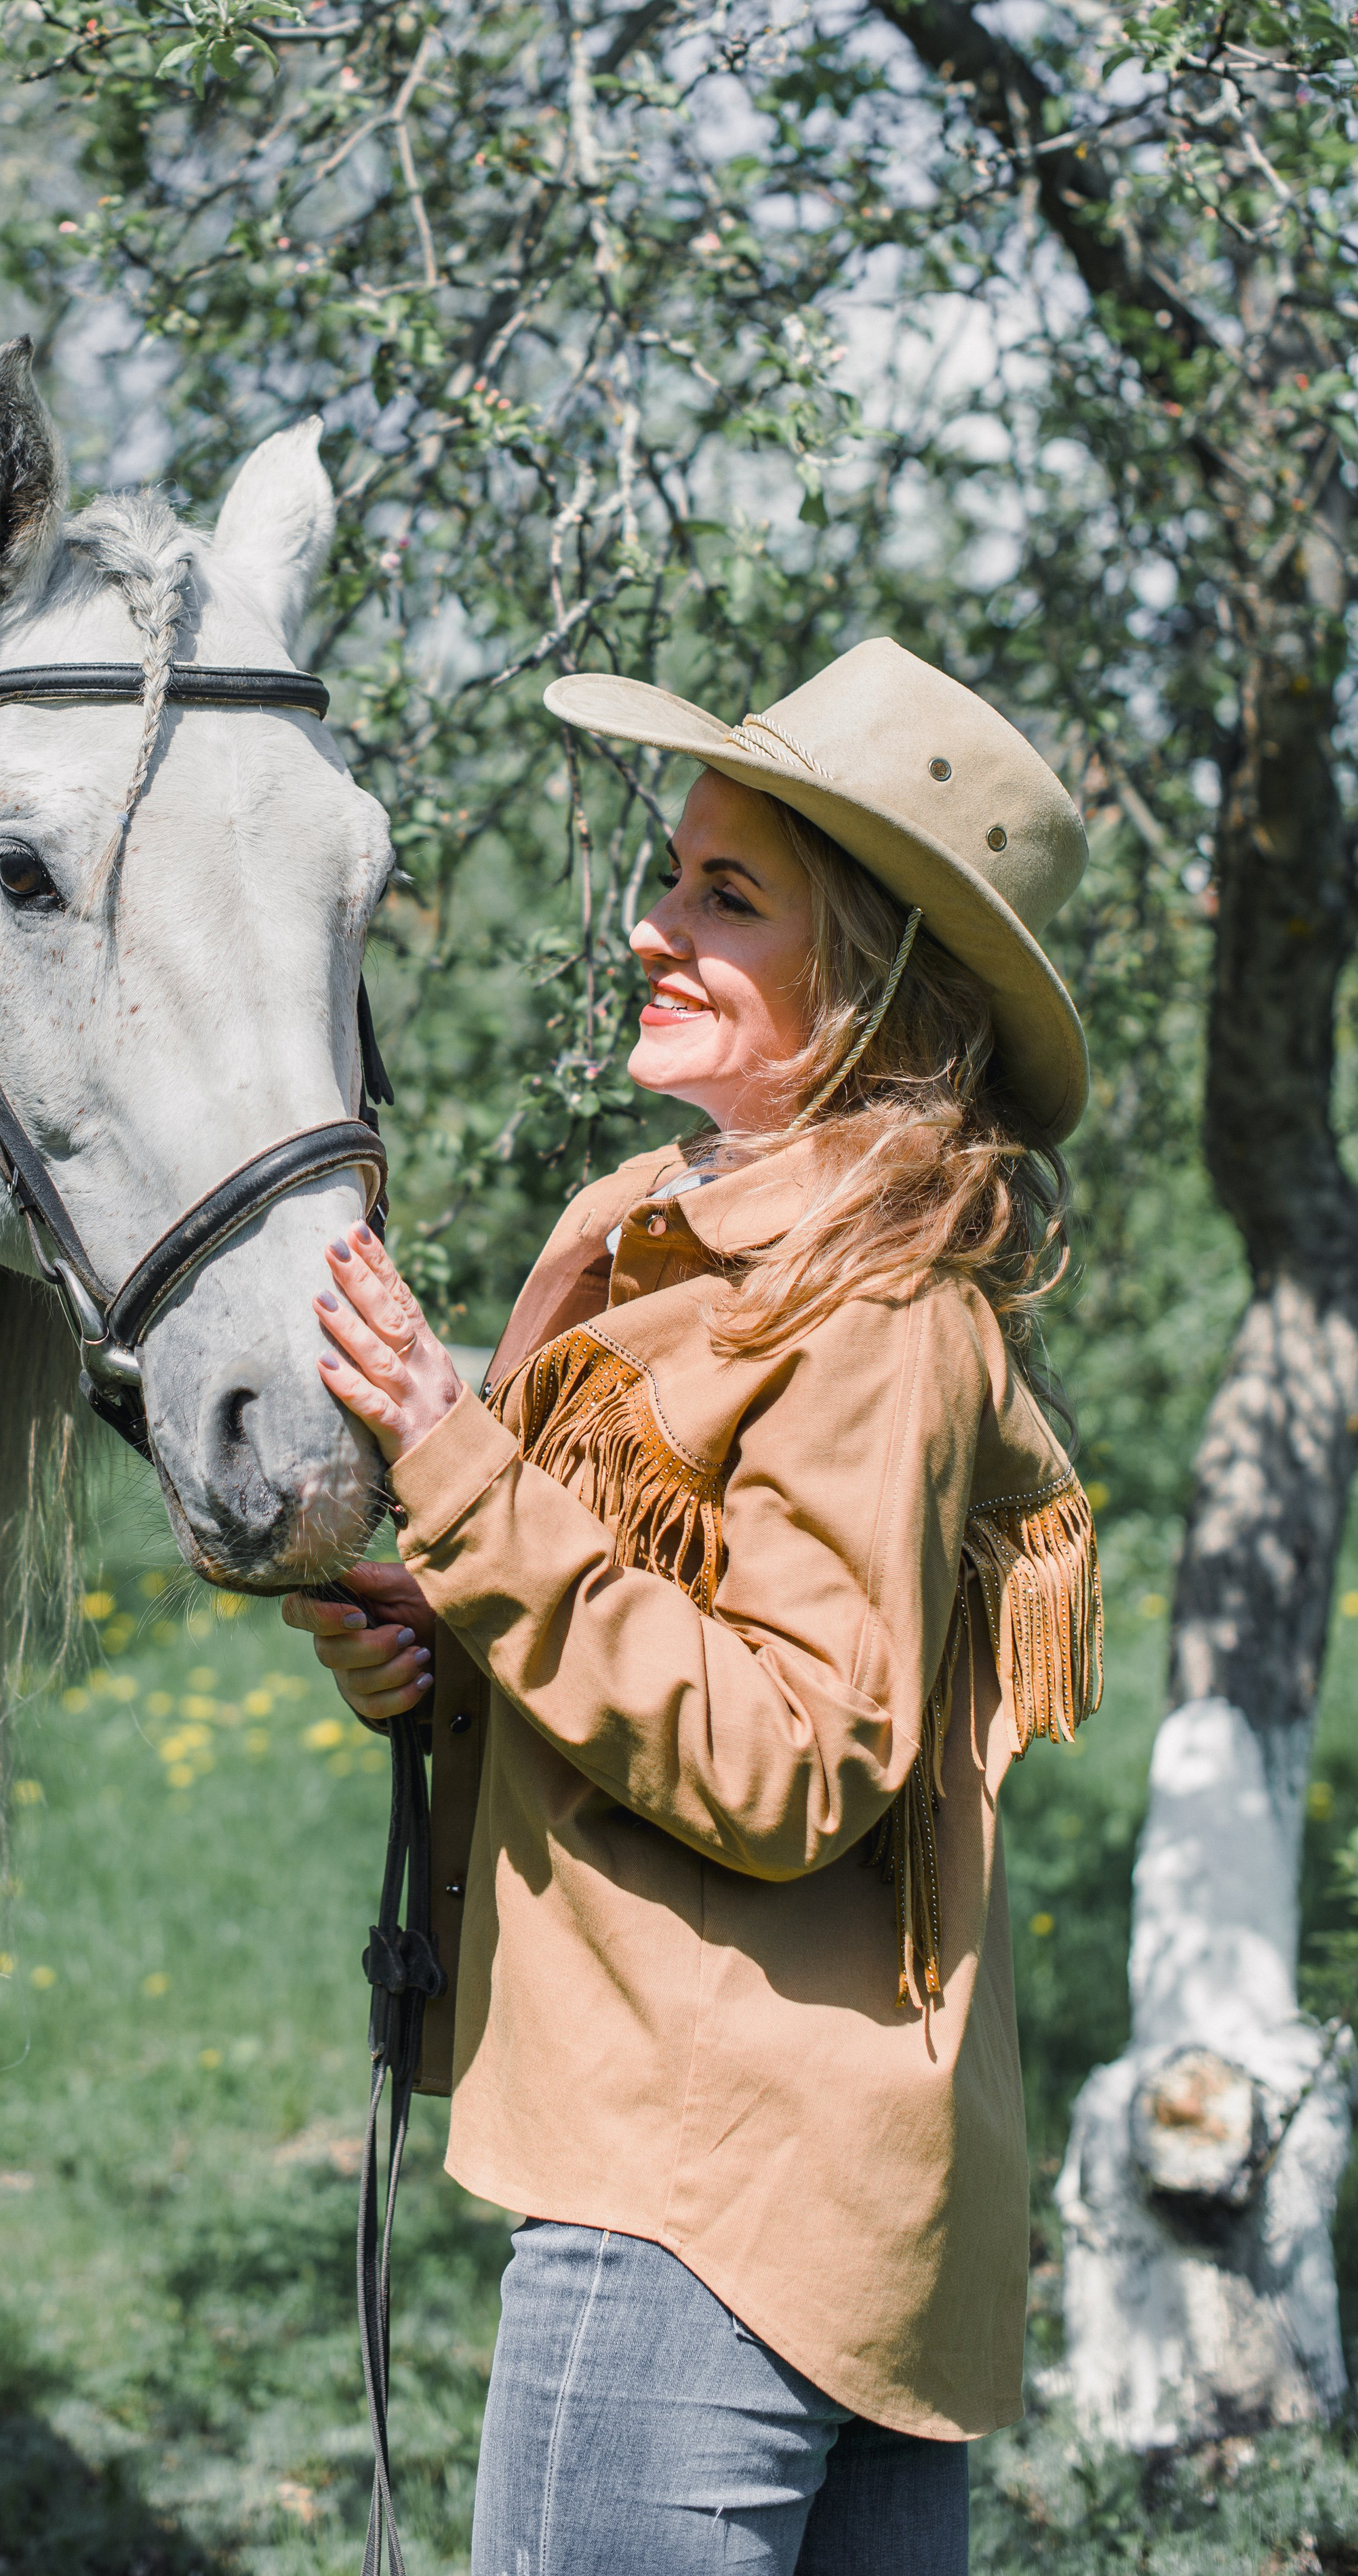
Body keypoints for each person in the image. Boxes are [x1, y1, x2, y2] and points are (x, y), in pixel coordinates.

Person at [285, 636, 1102, 2576]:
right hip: (819, 2210)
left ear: (874, 981)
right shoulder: (713, 1247)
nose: (654, 926)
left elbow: (796, 1755)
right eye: (671, 875)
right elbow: (693, 1648)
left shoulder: (867, 1307)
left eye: (726, 898)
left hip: (701, 2206)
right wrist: (448, 1634)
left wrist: (451, 1453)